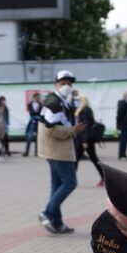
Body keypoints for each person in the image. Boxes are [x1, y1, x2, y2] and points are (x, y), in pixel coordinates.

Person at [37, 69, 86, 234]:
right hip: (57, 150)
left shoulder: (61, 100)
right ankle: (47, 213)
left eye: (69, 83)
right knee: (70, 182)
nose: (67, 86)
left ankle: (57, 223)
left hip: (54, 150)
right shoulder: (54, 103)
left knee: (56, 185)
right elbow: (51, 129)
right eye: (63, 83)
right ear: (56, 85)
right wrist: (73, 130)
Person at [74, 94, 104, 186]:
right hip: (81, 138)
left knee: (93, 158)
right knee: (76, 158)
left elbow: (88, 126)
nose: (77, 102)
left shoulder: (87, 110)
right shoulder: (81, 110)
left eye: (79, 100)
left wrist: (85, 141)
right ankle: (70, 179)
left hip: (85, 139)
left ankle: (105, 177)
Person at [116, 91, 127, 161]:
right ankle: (121, 155)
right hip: (124, 125)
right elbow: (119, 114)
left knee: (125, 140)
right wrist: (119, 124)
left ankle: (124, 154)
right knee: (123, 140)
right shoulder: (123, 103)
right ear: (124, 96)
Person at [24, 91, 41, 157]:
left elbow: (40, 113)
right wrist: (35, 113)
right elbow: (31, 112)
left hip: (38, 121)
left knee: (38, 137)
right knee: (29, 137)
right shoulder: (30, 104)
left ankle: (37, 152)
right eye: (37, 97)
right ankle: (26, 151)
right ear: (34, 97)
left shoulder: (41, 104)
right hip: (32, 121)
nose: (38, 98)